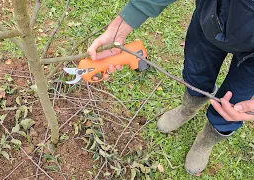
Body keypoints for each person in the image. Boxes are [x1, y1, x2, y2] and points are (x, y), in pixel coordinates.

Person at [87, 0, 254, 175]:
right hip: (211, 19)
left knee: (235, 104)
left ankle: (208, 139)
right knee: (195, 75)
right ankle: (187, 109)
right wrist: (118, 29)